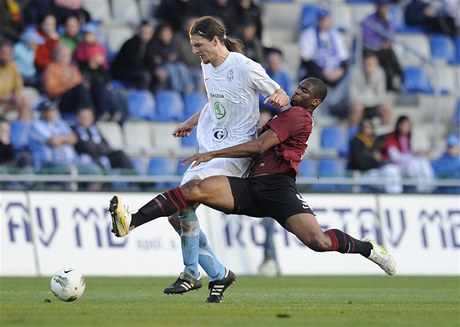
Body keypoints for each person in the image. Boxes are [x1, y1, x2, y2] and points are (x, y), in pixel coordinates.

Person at [109, 78, 397, 299]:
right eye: (298, 87)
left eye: (305, 91)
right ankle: (132, 222)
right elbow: (221, 110)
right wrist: (196, 123)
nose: (298, 91)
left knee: (318, 242)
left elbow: (259, 146)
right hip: (250, 185)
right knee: (192, 192)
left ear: (315, 102)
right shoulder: (283, 115)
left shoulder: (298, 116)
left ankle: (368, 248)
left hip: (277, 189)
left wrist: (212, 154)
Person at [148, 16, 289, 302]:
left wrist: (279, 98)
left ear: (216, 40)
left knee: (184, 202)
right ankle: (219, 273)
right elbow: (216, 102)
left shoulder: (246, 66)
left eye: (198, 44)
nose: (195, 51)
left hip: (232, 151)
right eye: (192, 45)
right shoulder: (207, 65)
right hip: (208, 143)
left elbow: (281, 94)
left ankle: (190, 273)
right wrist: (190, 121)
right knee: (177, 215)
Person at [298, 8, 350, 118]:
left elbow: (344, 59)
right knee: (313, 77)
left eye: (325, 20)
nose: (323, 22)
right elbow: (306, 59)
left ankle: (338, 106)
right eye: (321, 20)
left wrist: (340, 71)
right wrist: (323, 72)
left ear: (329, 21)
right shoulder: (309, 34)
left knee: (352, 73)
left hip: (335, 73)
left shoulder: (336, 35)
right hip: (316, 73)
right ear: (317, 20)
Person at [380, 115, 435, 193]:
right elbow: (395, 157)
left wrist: (417, 153)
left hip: (405, 161)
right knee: (412, 164)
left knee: (424, 162)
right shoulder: (391, 137)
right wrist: (411, 155)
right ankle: (416, 188)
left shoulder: (408, 137)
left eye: (409, 125)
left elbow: (409, 153)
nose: (408, 127)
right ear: (399, 125)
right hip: (394, 164)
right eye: (406, 125)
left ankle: (427, 188)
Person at [348, 119, 402, 194]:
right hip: (363, 173)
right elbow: (359, 163)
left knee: (392, 169)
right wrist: (373, 159)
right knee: (387, 175)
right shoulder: (356, 143)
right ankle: (391, 198)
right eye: (365, 127)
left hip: (375, 170)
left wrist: (379, 159)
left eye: (370, 127)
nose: (367, 129)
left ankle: (396, 197)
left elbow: (382, 158)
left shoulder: (375, 142)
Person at [361, 0, 403, 92]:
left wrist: (388, 43)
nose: (384, 9)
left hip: (384, 50)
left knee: (389, 56)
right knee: (389, 54)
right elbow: (367, 39)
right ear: (378, 7)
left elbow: (392, 36)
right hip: (370, 50)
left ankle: (392, 82)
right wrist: (380, 43)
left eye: (386, 7)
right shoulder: (370, 19)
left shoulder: (387, 20)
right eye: (382, 7)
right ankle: (399, 75)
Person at [348, 50, 392, 130]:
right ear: (363, 63)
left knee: (386, 107)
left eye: (372, 65)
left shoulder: (380, 73)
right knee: (357, 107)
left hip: (373, 104)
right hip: (358, 104)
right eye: (367, 65)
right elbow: (353, 96)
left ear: (376, 65)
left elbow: (381, 95)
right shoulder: (354, 72)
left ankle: (384, 136)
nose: (369, 68)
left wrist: (369, 100)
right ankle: (353, 136)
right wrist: (368, 99)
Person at [0, 40, 31, 121]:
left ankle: (23, 130)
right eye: (3, 53)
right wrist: (5, 97)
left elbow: (18, 85)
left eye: (9, 54)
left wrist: (16, 95)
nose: (6, 57)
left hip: (10, 99)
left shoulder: (13, 66)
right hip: (2, 100)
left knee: (25, 102)